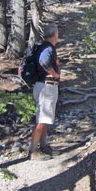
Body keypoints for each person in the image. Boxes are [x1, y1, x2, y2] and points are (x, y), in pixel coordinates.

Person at [28, 23, 62, 160]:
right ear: (55, 35)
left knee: (45, 118)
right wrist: (54, 73)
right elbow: (43, 61)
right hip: (46, 87)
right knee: (42, 120)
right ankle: (33, 151)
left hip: (43, 86)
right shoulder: (47, 48)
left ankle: (43, 146)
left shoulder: (44, 47)